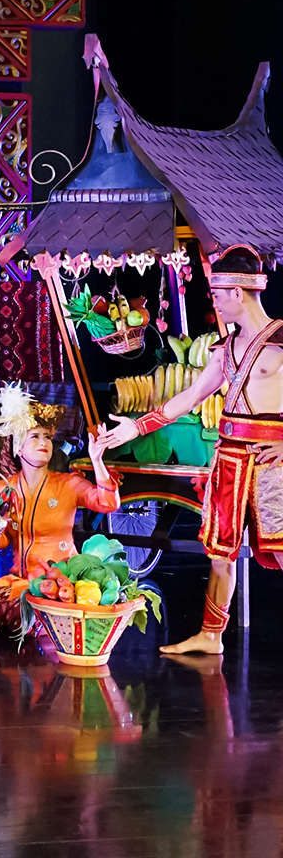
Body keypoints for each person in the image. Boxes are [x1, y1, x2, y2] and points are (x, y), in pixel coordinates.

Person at [99, 244, 283, 655]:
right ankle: (211, 636)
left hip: (274, 463)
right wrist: (135, 427)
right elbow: (190, 397)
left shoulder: (282, 340)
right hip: (230, 459)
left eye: (217, 293)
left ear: (238, 293)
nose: (212, 300)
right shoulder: (226, 349)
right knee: (221, 554)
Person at [0, 386, 121, 628]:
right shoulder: (3, 489)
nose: (44, 443)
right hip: (22, 581)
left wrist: (96, 460)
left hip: (61, 583)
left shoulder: (69, 484)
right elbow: (0, 540)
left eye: (48, 437)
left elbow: (108, 503)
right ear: (17, 447)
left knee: (29, 620)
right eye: (35, 436)